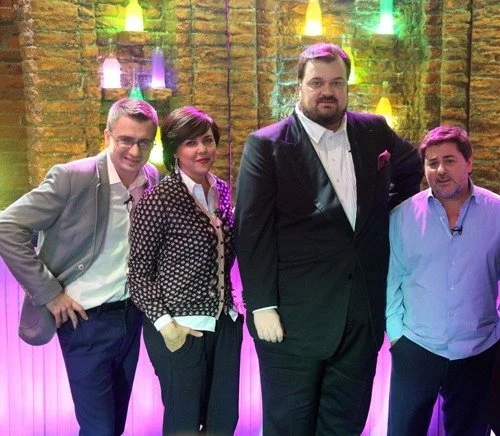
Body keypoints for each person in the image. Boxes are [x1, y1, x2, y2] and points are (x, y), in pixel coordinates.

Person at [234, 42, 423, 435]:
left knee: (345, 426)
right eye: (317, 82)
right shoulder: (267, 145)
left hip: (360, 316)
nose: (328, 91)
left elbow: (411, 167)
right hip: (292, 321)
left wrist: (383, 212)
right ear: (300, 86)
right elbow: (252, 231)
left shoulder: (373, 130)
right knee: (289, 427)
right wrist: (262, 303)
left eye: (337, 82)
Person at [0, 98, 160, 435]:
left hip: (131, 317)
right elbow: (7, 226)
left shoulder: (150, 177)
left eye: (144, 142)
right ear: (107, 136)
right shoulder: (72, 177)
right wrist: (50, 293)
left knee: (114, 424)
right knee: (98, 428)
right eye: (126, 140)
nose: (134, 151)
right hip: (85, 321)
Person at [127, 106, 243, 435]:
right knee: (185, 425)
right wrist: (167, 326)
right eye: (190, 142)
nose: (202, 149)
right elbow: (138, 274)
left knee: (223, 422)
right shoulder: (157, 200)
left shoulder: (221, 190)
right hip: (180, 327)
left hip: (224, 322)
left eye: (207, 140)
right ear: (174, 150)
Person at [386, 125, 499, 436]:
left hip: (478, 350)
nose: (440, 170)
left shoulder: (497, 213)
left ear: (468, 163)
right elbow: (392, 279)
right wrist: (397, 336)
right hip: (416, 347)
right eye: (432, 162)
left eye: (449, 160)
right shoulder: (402, 216)